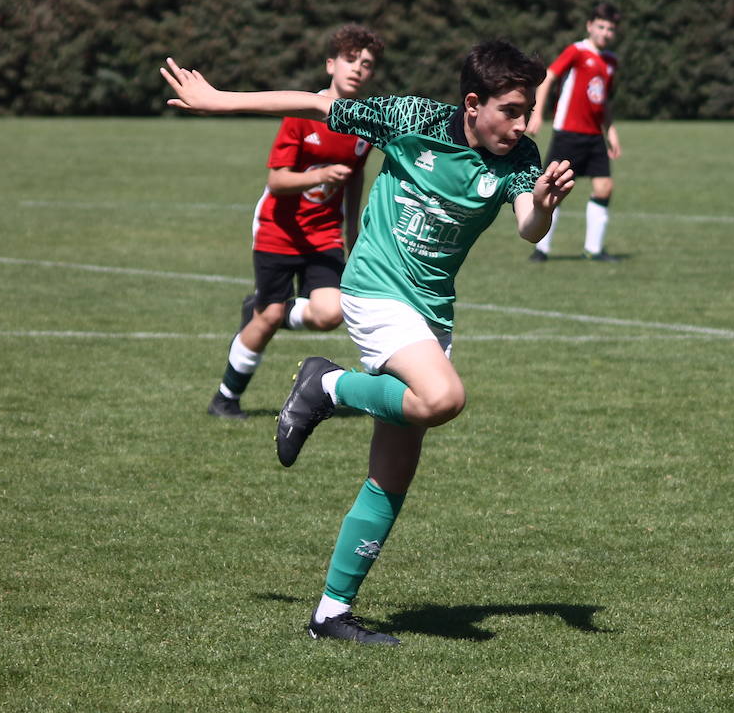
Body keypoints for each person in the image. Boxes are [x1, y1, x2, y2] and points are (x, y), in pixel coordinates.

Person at [162, 40, 575, 645]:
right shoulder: (414, 120)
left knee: (392, 475)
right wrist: (220, 100)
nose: (522, 124)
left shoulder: (521, 157)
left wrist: (542, 203)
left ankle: (330, 612)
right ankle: (326, 385)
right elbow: (315, 102)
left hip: (431, 314)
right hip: (376, 291)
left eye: (527, 110)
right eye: (511, 110)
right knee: (442, 399)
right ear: (471, 103)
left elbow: (526, 227)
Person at [207, 24, 385, 420]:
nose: (357, 69)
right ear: (330, 65)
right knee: (267, 317)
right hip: (279, 229)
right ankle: (225, 398)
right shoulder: (303, 114)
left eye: (367, 64)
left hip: (323, 234)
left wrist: (351, 232)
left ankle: (266, 309)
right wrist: (319, 176)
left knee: (330, 313)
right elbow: (277, 180)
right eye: (350, 60)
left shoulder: (365, 122)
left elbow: (354, 175)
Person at [526, 1, 622, 262]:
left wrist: (610, 131)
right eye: (600, 27)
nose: (605, 33)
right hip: (569, 133)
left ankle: (593, 249)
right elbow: (548, 76)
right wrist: (537, 114)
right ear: (590, 26)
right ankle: (541, 249)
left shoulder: (611, 61)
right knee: (555, 188)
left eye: (610, 29)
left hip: (594, 136)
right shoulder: (577, 51)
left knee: (604, 188)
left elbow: (604, 102)